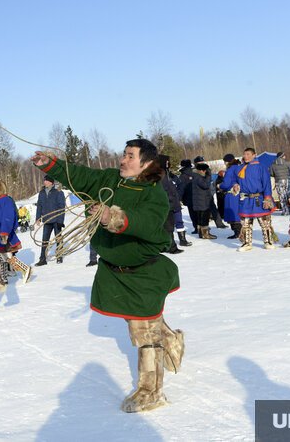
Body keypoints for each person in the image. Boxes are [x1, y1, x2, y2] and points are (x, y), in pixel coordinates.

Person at [31, 139, 183, 413]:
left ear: (147, 163)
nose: (123, 160)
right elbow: (81, 176)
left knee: (144, 333)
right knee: (139, 323)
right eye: (123, 155)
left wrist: (111, 217)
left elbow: (146, 223)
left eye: (130, 156)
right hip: (114, 272)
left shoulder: (154, 193)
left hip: (144, 273)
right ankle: (171, 339)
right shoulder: (112, 179)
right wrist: (51, 165)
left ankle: (151, 391)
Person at [218, 147, 276, 252]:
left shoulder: (261, 167)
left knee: (265, 223)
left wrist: (267, 199)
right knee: (245, 223)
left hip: (259, 198)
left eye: (249, 154)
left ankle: (268, 241)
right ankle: (247, 242)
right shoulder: (240, 168)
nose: (246, 156)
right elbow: (234, 179)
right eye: (245, 154)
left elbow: (267, 184)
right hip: (245, 199)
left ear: (254, 155)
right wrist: (235, 184)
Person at [0, 180, 22, 285]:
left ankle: (7, 276)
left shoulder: (5, 200)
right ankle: (2, 277)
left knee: (4, 256)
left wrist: (4, 232)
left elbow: (8, 217)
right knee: (0, 257)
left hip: (2, 234)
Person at [34, 174, 66, 266]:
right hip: (47, 220)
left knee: (58, 239)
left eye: (47, 181)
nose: (45, 182)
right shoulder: (42, 192)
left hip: (56, 220)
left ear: (51, 182)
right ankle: (42, 259)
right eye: (44, 181)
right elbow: (39, 205)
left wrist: (60, 221)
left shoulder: (58, 192)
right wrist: (38, 218)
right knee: (44, 240)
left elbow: (61, 207)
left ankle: (59, 256)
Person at [158, 155, 184, 253]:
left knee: (168, 227)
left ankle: (166, 246)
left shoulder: (166, 173)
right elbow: (164, 190)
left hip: (171, 204)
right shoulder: (160, 174)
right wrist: (171, 200)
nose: (168, 163)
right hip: (166, 205)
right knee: (168, 227)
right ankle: (172, 248)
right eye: (167, 162)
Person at [218, 154, 243, 240]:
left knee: (233, 212)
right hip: (240, 193)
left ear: (227, 162)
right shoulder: (240, 167)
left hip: (231, 194)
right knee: (239, 212)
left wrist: (220, 186)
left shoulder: (230, 170)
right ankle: (241, 229)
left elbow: (226, 184)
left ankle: (237, 231)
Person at [191, 159, 217, 239]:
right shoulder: (199, 177)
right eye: (205, 171)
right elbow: (205, 185)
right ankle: (205, 234)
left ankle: (200, 233)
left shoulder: (195, 176)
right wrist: (208, 176)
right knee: (204, 217)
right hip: (202, 201)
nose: (206, 172)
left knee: (200, 218)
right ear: (202, 170)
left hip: (199, 200)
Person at [177, 159, 197, 233]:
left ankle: (196, 228)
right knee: (198, 213)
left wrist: (180, 198)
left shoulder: (183, 176)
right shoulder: (195, 172)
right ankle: (201, 227)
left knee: (192, 214)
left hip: (189, 197)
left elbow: (181, 188)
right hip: (197, 196)